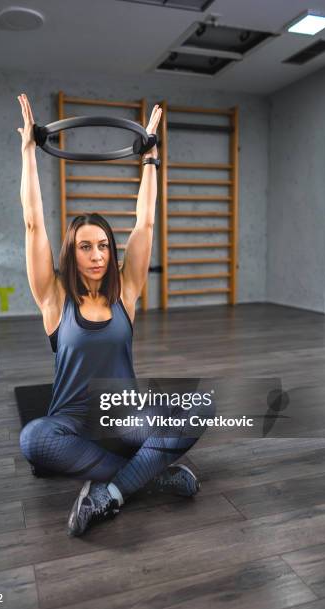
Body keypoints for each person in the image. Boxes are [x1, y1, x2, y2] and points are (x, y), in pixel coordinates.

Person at [17, 93, 206, 537]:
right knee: (34, 440)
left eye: (103, 245)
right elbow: (32, 222)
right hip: (70, 418)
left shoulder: (127, 294)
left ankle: (111, 492)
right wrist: (28, 150)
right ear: (71, 253)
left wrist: (151, 159)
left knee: (199, 410)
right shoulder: (53, 297)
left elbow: (145, 225)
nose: (97, 255)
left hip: (122, 413)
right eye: (86, 246)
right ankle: (151, 475)